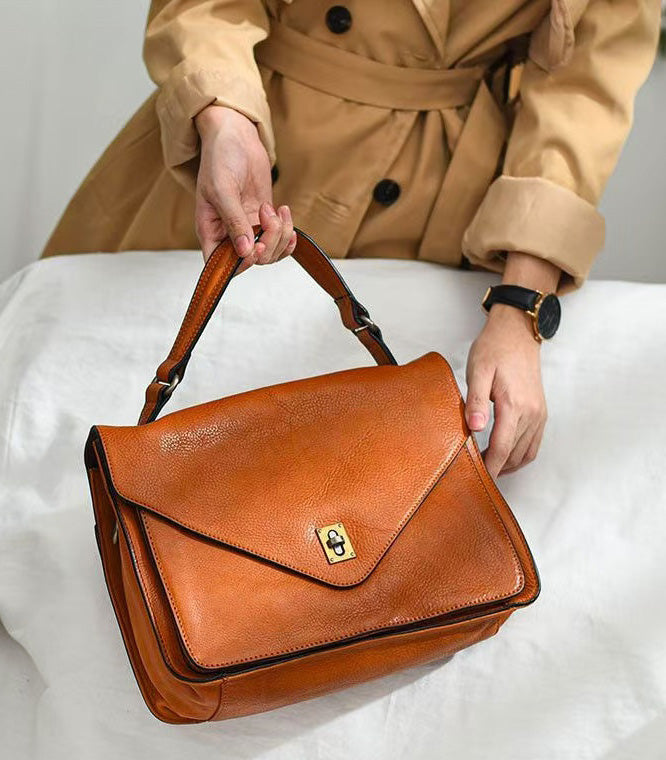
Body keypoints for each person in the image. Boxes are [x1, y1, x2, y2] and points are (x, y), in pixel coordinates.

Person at [41, 0, 661, 479]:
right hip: (235, 153)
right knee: (78, 444)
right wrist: (223, 117)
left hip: (433, 216)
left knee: (337, 485)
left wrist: (521, 308)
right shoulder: (227, 133)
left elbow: (584, 90)